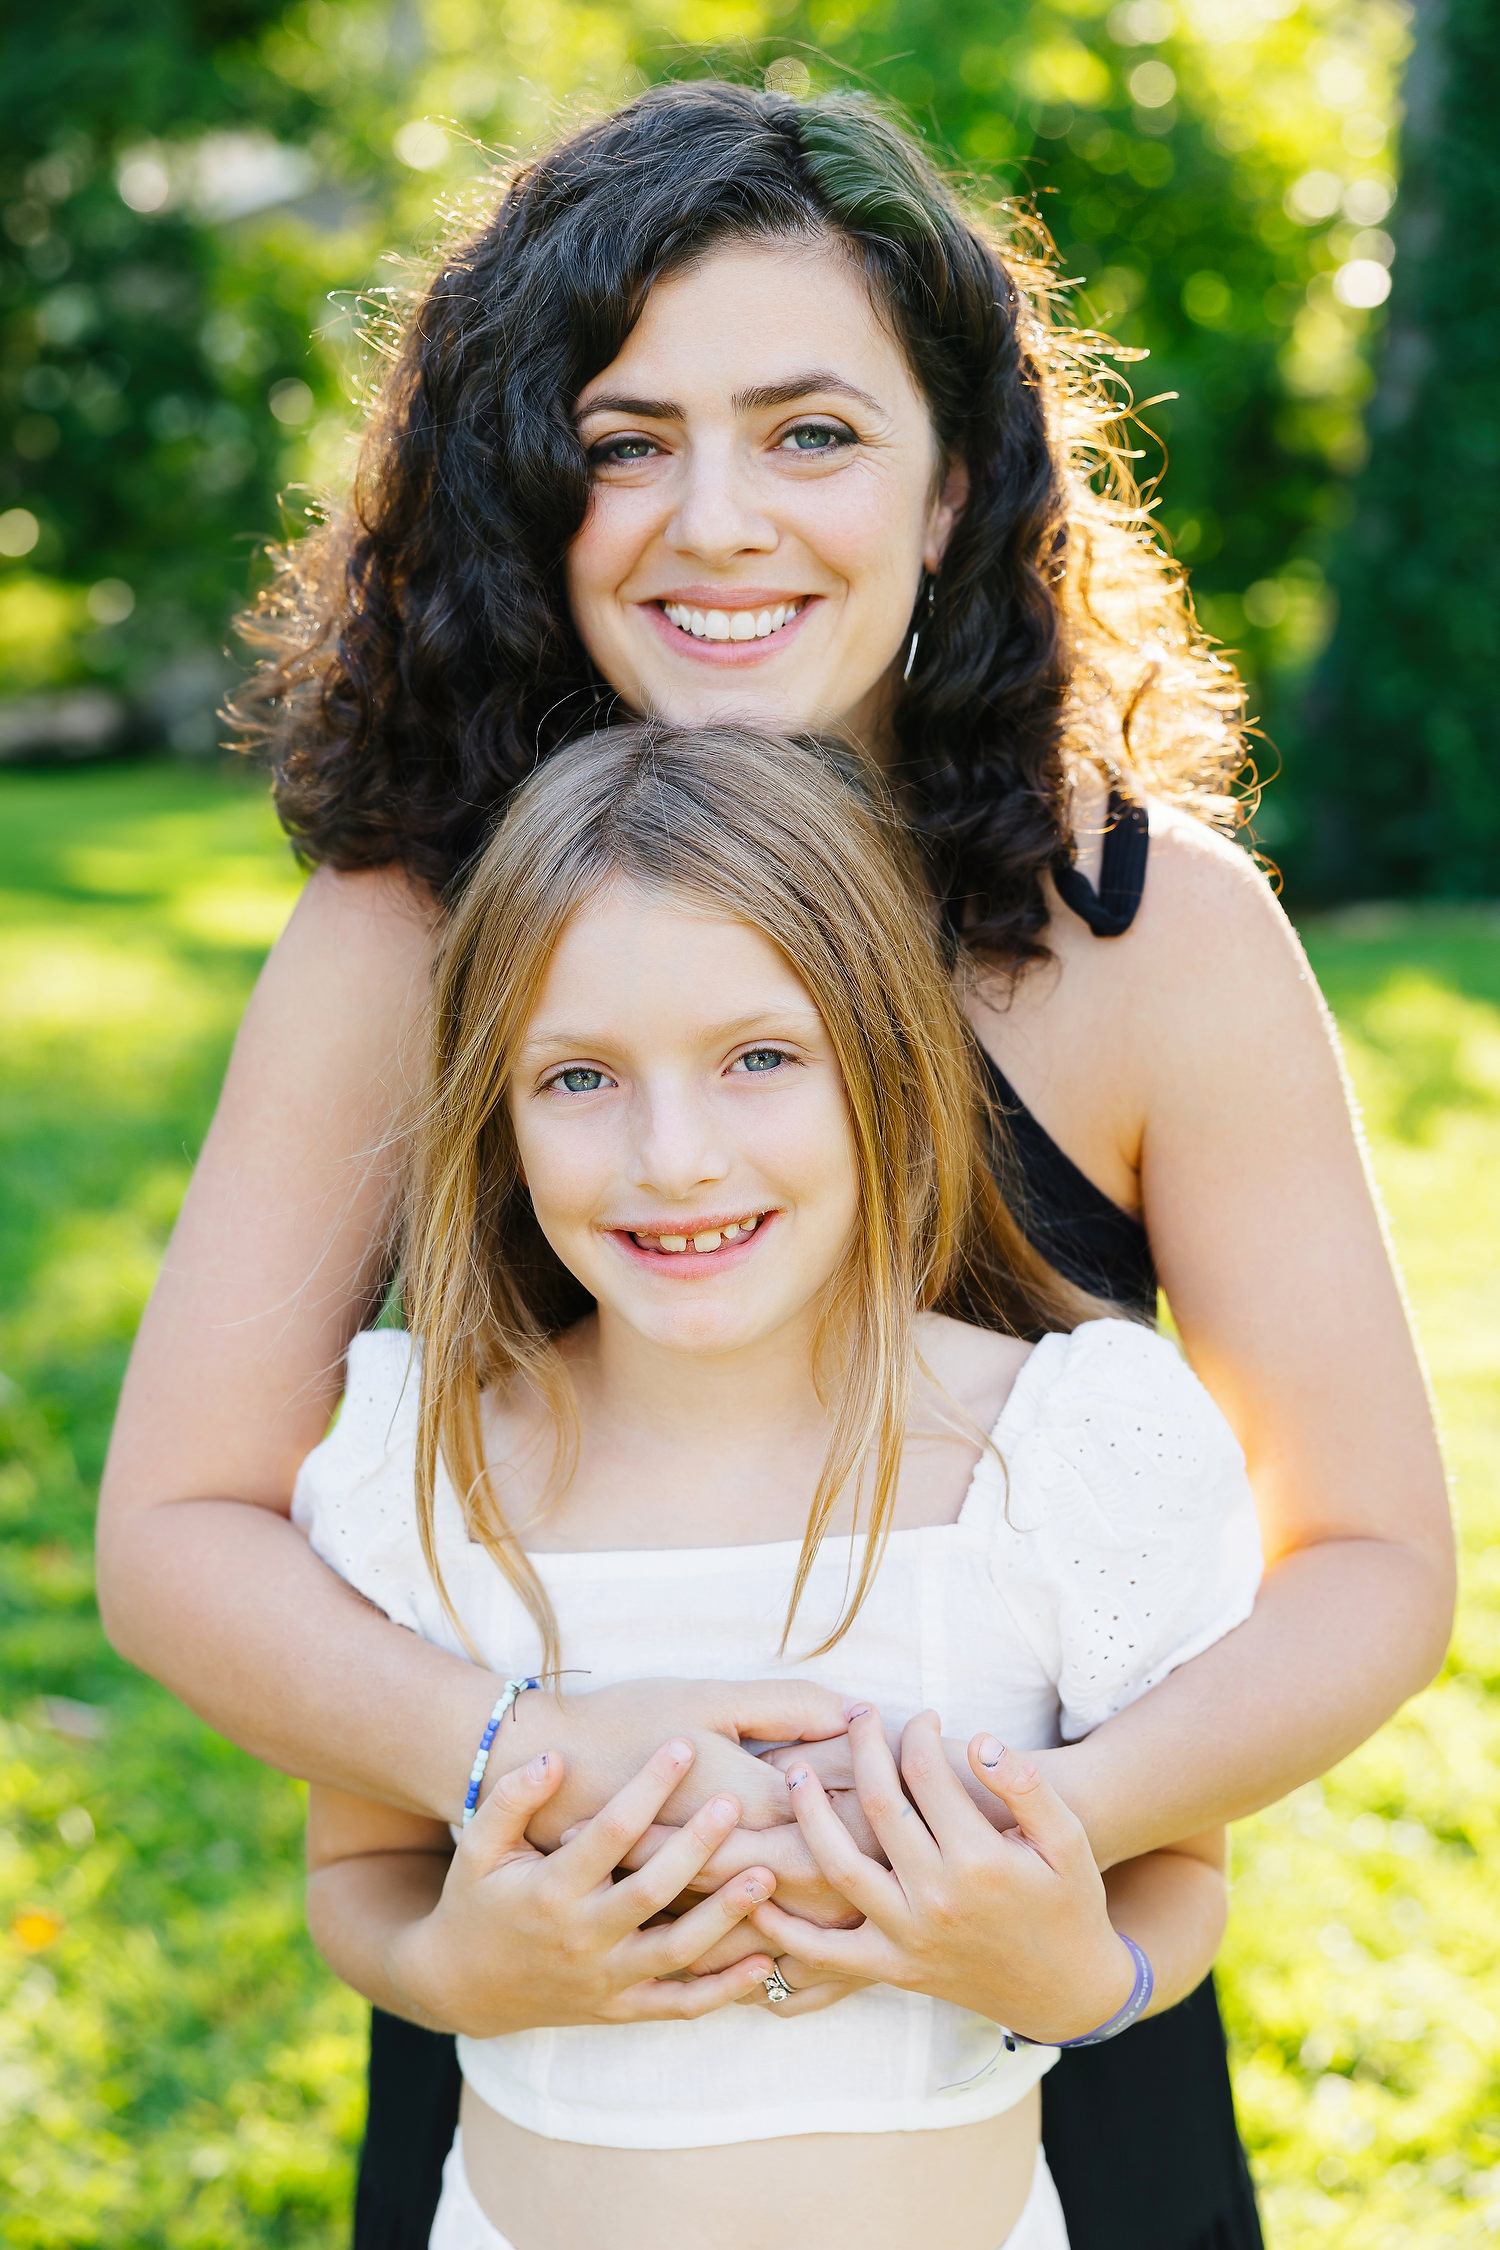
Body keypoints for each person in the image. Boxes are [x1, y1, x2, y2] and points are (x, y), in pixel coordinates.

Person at [94, 79, 1451, 2250]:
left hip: (1038, 2015)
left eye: (811, 432)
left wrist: (1024, 1839)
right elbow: (178, 1530)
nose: (715, 521)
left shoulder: (1150, 934)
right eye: (626, 443)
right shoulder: (405, 935)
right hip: (554, 2020)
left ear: (951, 487)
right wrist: (521, 1761)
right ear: (523, 489)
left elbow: (1367, 1556)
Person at [297, 718, 1263, 2250]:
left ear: (882, 1062)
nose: (674, 1155)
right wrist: (451, 1970)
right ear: (499, 1108)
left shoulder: (1064, 1449)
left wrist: (1078, 1977)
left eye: (758, 1058)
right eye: (579, 1076)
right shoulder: (421, 1465)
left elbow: (1181, 1869)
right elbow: (360, 1870)